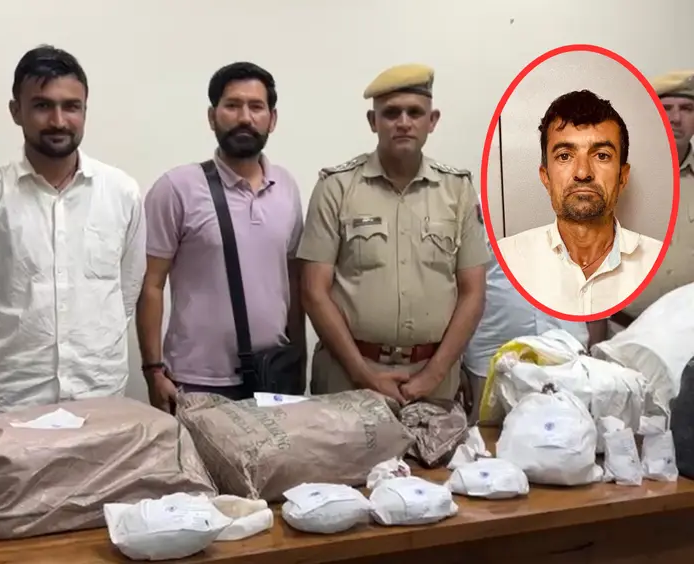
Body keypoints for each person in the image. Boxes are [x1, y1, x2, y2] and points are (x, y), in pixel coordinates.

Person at [0, 45, 146, 416]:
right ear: (15, 111)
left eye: (72, 106)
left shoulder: (122, 193)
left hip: (100, 398)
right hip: (12, 402)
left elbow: (126, 293)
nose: (58, 121)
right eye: (42, 105)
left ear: (85, 110)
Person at [298, 63, 489, 406]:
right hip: (348, 378)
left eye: (415, 112)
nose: (403, 122)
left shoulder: (458, 190)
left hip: (434, 380)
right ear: (373, 121)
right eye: (391, 113)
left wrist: (432, 376)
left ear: (432, 121)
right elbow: (314, 291)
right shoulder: (335, 188)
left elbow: (473, 292)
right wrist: (364, 375)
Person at [137, 62, 304, 411]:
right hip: (195, 381)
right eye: (232, 105)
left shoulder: (286, 187)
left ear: (272, 119)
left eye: (256, 107)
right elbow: (151, 284)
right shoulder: (177, 188)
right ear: (212, 117)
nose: (245, 117)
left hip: (272, 377)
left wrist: (297, 358)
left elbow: (293, 279)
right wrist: (153, 370)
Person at [497, 89, 663, 317]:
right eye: (564, 156)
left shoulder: (661, 264)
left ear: (623, 177)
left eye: (601, 155)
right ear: (545, 177)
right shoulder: (504, 261)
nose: (583, 173)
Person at [462, 236, 608, 423]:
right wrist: (457, 366)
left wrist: (594, 362)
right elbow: (459, 286)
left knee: (571, 433)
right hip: (490, 359)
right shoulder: (478, 221)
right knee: (487, 435)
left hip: (568, 358)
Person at [619, 70, 694, 323]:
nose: (676, 118)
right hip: (625, 327)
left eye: (687, 109)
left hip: (687, 328)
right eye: (666, 108)